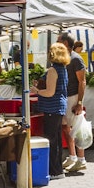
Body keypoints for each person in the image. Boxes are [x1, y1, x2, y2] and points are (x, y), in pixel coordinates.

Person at [33, 42, 70, 180]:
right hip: (58, 107)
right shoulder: (63, 69)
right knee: (57, 140)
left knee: (52, 140)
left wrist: (36, 91)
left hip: (51, 107)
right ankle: (58, 169)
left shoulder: (52, 70)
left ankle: (55, 171)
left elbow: (49, 92)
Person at [58, 34, 88, 174]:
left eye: (58, 41)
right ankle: (72, 156)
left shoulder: (76, 59)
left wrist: (80, 102)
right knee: (66, 127)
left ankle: (81, 160)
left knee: (76, 128)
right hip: (65, 96)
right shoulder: (64, 58)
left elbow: (82, 81)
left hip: (73, 97)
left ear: (65, 42)